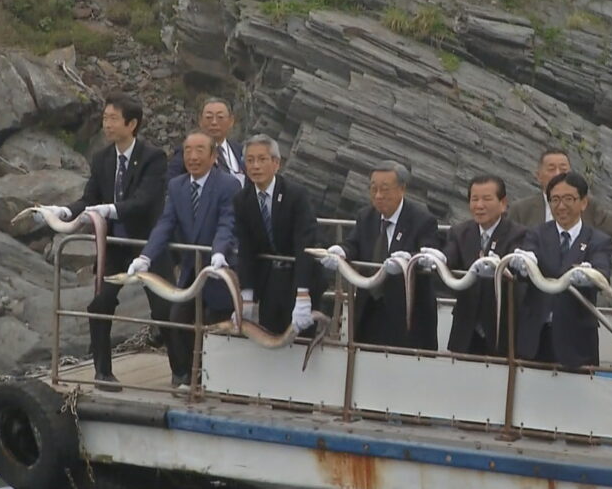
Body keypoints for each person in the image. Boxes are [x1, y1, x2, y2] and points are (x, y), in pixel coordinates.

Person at [36, 92, 171, 391]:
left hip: (148, 245)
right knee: (100, 302)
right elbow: (89, 198)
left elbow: (145, 200)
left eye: (113, 118)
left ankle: (182, 373)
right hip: (114, 245)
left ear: (131, 123)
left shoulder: (153, 157)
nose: (106, 124)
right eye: (105, 118)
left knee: (163, 310)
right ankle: (103, 372)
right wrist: (64, 211)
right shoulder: (102, 158)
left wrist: (111, 209)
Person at [129, 130, 240, 390]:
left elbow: (227, 222)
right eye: (188, 151)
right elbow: (165, 224)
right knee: (177, 318)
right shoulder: (177, 186)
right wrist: (145, 256)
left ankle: (220, 382)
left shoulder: (227, 185)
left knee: (217, 327)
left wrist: (219, 252)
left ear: (214, 157)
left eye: (199, 151)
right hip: (192, 269)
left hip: (221, 269)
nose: (193, 157)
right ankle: (188, 374)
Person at [321, 161, 440, 350]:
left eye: (385, 190)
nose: (378, 196)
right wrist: (341, 251)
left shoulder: (422, 219)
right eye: (373, 189)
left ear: (402, 189)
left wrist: (408, 259)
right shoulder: (366, 216)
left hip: (406, 311)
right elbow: (355, 244)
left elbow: (429, 253)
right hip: (369, 306)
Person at [514, 171, 612, 368]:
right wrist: (524, 263)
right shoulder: (536, 233)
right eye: (555, 200)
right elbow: (526, 259)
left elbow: (602, 274)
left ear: (583, 202)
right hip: (535, 337)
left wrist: (588, 275)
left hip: (576, 341)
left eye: (568, 199)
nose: (561, 206)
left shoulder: (599, 240)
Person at [232, 134, 324, 333]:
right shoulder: (242, 199)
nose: (256, 166)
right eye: (250, 160)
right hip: (269, 279)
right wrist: (246, 294)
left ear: (276, 163)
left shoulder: (296, 194)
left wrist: (303, 294)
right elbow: (245, 246)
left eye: (262, 159)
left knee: (301, 338)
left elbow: (305, 243)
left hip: (299, 277)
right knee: (270, 336)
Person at [426, 175, 527, 354]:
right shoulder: (460, 232)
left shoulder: (518, 234)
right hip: (466, 330)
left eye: (487, 199)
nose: (479, 205)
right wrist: (439, 259)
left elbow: (516, 267)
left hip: (502, 329)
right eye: (474, 199)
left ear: (503, 203)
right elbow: (450, 254)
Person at [507, 150, 612, 248]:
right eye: (551, 169)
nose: (558, 173)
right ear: (538, 176)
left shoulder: (585, 205)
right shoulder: (521, 209)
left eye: (563, 168)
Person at [167, 97, 245, 188]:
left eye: (220, 117)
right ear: (200, 121)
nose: (214, 122)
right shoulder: (186, 151)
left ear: (231, 121)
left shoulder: (241, 150)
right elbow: (171, 183)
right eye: (209, 117)